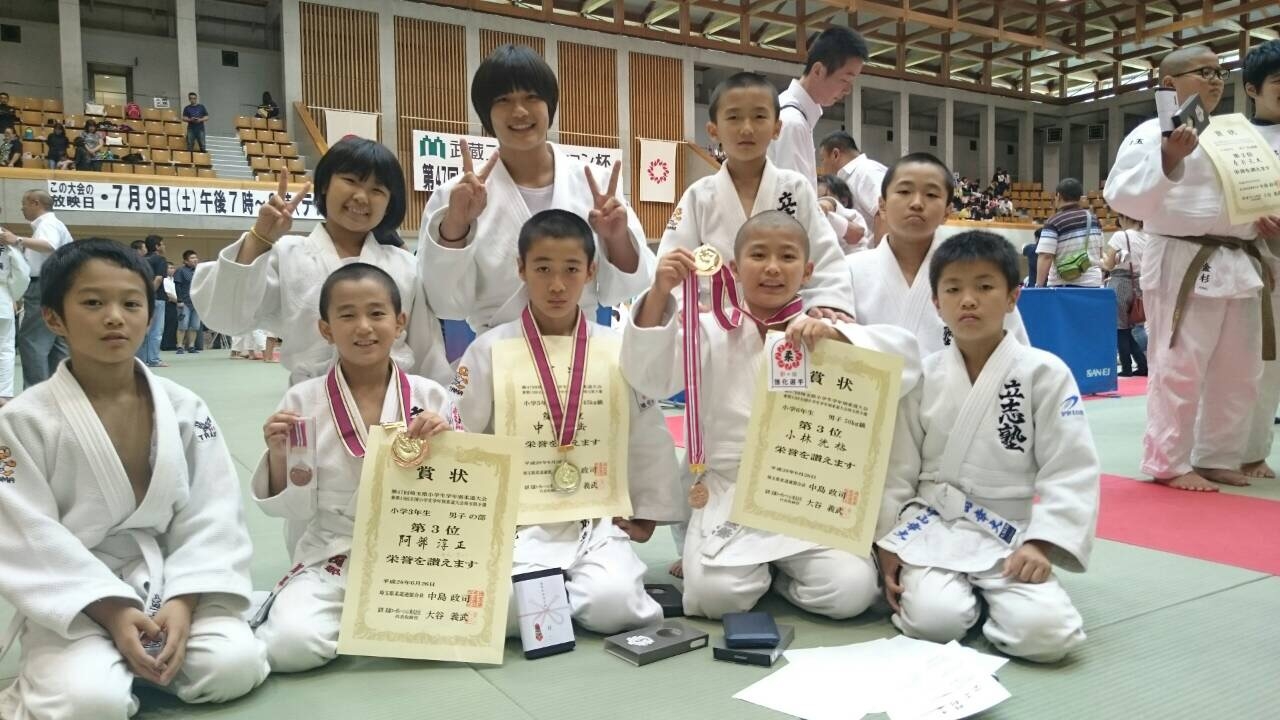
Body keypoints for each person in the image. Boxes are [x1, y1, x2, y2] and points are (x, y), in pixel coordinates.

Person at [0, 239, 268, 718]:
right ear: (54, 317)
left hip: (166, 579)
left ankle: (132, 661)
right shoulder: (23, 421)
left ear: (149, 313)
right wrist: (112, 610)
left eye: (130, 303)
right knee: (89, 704)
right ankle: (107, 667)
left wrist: (185, 599)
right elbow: (25, 534)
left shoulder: (184, 407)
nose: (114, 317)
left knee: (234, 667)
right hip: (77, 593)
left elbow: (213, 511)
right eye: (92, 303)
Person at [623, 210, 919, 620]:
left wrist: (842, 337)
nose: (773, 268)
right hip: (732, 493)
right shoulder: (707, 330)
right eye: (758, 255)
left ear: (809, 270)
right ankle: (749, 570)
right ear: (734, 268)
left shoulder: (824, 331)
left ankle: (775, 577)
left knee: (849, 592)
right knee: (715, 598)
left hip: (807, 492)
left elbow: (907, 365)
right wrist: (659, 294)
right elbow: (648, 378)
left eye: (787, 257)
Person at [452, 210, 684, 634]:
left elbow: (645, 433)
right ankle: (548, 593)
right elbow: (461, 436)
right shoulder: (488, 350)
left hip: (595, 519)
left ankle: (566, 591)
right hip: (518, 519)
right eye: (542, 269)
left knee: (615, 608)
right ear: (520, 269)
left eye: (571, 270)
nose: (557, 285)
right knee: (499, 614)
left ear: (591, 271)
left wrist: (648, 509)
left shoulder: (616, 349)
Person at [876, 230, 1098, 663]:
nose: (968, 300)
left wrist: (1043, 543)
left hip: (1009, 532)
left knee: (1051, 638)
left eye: (984, 286)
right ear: (936, 303)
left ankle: (996, 606)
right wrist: (889, 541)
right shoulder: (923, 376)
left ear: (1013, 296)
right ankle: (966, 604)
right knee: (933, 623)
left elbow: (1070, 468)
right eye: (953, 289)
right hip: (933, 525)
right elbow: (898, 467)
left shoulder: (1045, 374)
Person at [252, 263, 456, 671]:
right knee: (290, 647)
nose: (364, 327)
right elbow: (291, 510)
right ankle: (375, 617)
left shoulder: (431, 395)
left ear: (400, 322)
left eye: (377, 313)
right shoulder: (301, 402)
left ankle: (377, 616)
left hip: (416, 552)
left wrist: (449, 443)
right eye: (347, 315)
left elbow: (458, 496)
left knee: (497, 612)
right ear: (326, 329)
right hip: (336, 552)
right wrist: (278, 456)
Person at [1104, 46, 1278, 492]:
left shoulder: (1235, 134)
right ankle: (1168, 460)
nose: (1216, 80)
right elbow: (1121, 197)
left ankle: (1218, 455)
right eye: (1204, 72)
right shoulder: (1150, 131)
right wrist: (1168, 159)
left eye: (1220, 72)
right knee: (1179, 365)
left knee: (1238, 369)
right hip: (1183, 257)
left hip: (1241, 258)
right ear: (1169, 83)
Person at [418, 44, 654, 336]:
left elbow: (628, 287)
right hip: (499, 356)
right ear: (486, 114)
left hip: (583, 350)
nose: (519, 111)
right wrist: (456, 225)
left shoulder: (595, 185)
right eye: (503, 99)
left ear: (550, 106)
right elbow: (445, 303)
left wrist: (616, 238)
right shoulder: (455, 197)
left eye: (531, 96)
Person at [194, 137, 451, 386]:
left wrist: (431, 410)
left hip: (394, 411)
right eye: (350, 180)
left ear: (389, 203)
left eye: (377, 189)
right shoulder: (287, 256)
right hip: (313, 408)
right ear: (326, 184)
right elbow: (226, 318)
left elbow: (427, 354)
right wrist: (259, 239)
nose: (362, 197)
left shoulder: (406, 266)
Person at [658, 71, 854, 318]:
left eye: (759, 116)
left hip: (785, 330)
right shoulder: (698, 196)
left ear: (776, 127)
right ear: (713, 130)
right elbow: (671, 261)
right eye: (734, 117)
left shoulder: (796, 189)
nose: (747, 129)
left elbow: (825, 256)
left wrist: (828, 301)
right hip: (717, 326)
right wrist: (684, 305)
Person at [847, 153, 1028, 357]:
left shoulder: (979, 273)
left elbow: (1015, 358)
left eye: (931, 195)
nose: (916, 203)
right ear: (882, 204)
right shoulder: (848, 271)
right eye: (904, 191)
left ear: (947, 211)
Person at [1242, 39, 1280, 480]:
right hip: (1256, 262)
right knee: (1261, 365)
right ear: (1252, 89)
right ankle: (1251, 451)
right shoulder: (1234, 139)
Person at [769, 26, 869, 188]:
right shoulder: (792, 122)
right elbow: (794, 204)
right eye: (845, 80)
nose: (848, 90)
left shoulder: (795, 114)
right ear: (818, 71)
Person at [1, 189, 72, 389]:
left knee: (33, 341)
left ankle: (35, 393)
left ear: (35, 203)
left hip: (43, 285)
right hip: (58, 285)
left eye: (24, 204)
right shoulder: (54, 224)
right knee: (58, 342)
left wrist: (17, 240)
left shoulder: (47, 224)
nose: (22, 209)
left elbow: (49, 245)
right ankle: (60, 391)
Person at [1101, 213, 1148, 377]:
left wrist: (1099, 260)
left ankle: (1127, 368)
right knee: (1133, 327)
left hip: (1120, 282)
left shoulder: (1121, 235)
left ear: (1125, 218)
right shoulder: (1147, 236)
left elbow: (1108, 264)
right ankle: (1143, 364)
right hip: (1140, 284)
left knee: (1120, 328)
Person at [818, 131, 888, 241]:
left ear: (835, 154)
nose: (822, 166)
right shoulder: (851, 176)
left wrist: (880, 256)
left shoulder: (865, 171)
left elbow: (884, 212)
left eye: (822, 159)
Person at [1036, 178, 1104, 288]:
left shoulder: (1054, 221)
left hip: (1063, 286)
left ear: (1058, 196)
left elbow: (1046, 256)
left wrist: (1038, 285)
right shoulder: (1094, 220)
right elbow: (1100, 253)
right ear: (1080, 198)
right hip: (1093, 284)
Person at [0, 225, 30, 404]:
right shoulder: (5, 237)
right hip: (2, 297)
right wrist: (13, 294)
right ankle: (3, 394)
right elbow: (21, 272)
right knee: (4, 347)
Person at [137, 235, 169, 368]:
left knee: (144, 330)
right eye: (162, 244)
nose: (164, 247)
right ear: (157, 246)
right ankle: (154, 359)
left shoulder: (141, 259)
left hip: (141, 297)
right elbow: (158, 279)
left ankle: (141, 360)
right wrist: (150, 294)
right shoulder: (160, 259)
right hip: (156, 298)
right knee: (156, 331)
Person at [816, 173, 868, 253]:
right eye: (815, 199)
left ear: (844, 201)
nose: (818, 202)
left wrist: (827, 205)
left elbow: (858, 233)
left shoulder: (853, 215)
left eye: (824, 197)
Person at [173, 249, 203, 354]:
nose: (195, 260)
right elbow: (177, 286)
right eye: (192, 258)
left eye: (196, 257)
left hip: (197, 302)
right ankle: (180, 346)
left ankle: (191, 346)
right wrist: (179, 300)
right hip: (185, 302)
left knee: (195, 326)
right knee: (183, 325)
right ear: (185, 261)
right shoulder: (180, 271)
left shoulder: (199, 271)